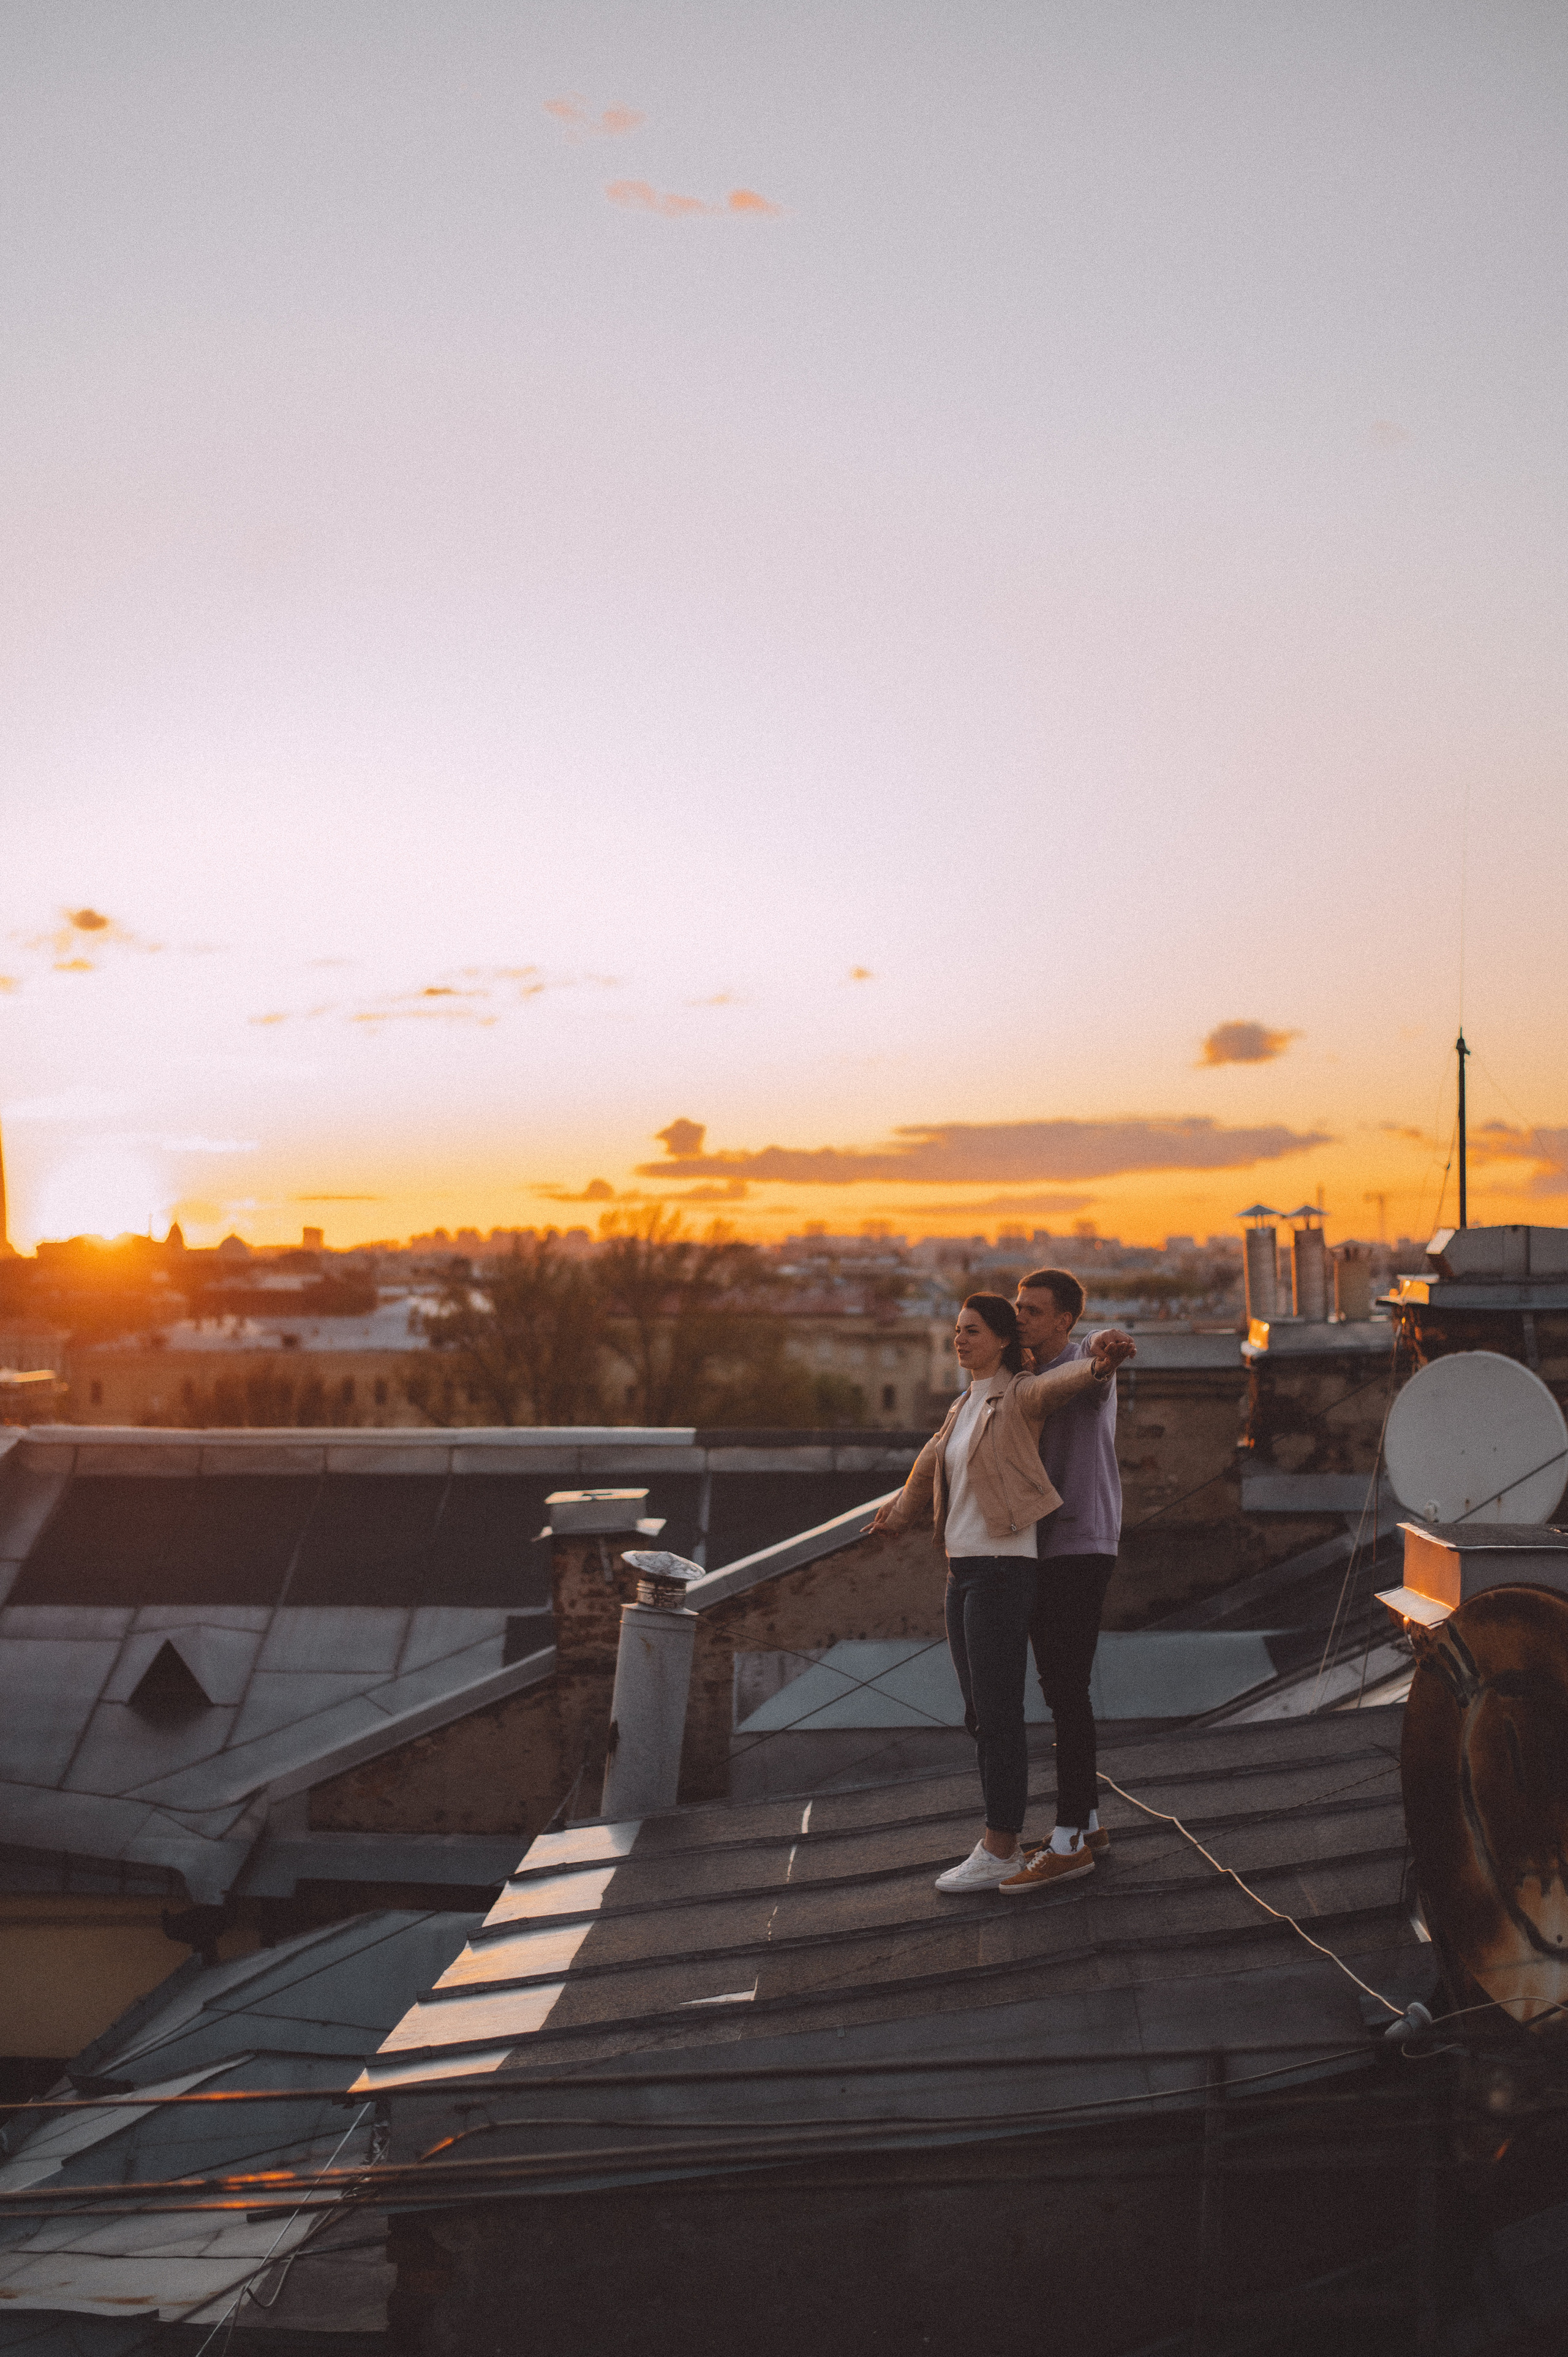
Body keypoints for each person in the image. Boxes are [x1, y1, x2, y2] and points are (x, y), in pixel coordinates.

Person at [869, 1295, 1135, 1893]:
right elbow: (930, 1461)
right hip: (961, 1572)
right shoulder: (963, 1405)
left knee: (997, 1717)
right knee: (978, 1714)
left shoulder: (1017, 1393)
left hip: (1000, 1572)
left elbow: (1056, 1386)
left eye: (972, 1331)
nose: (959, 1340)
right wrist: (897, 1513)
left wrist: (1099, 1364)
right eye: (956, 1330)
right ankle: (1003, 1841)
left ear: (999, 1341)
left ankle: (1001, 1845)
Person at [992, 1268, 1134, 1893]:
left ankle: (1069, 1835)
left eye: (1033, 1308)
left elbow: (1096, 1370)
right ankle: (1091, 1822)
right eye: (1018, 1305)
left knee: (1067, 1689)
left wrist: (1105, 1353)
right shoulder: (1021, 1373)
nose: (1019, 1315)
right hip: (1044, 1546)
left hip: (1080, 1543)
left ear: (1064, 1320)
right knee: (1058, 1688)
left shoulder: (1084, 1360)